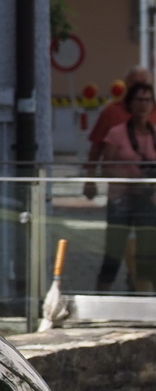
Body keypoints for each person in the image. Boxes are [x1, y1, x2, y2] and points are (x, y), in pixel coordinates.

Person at [93, 81, 156, 292]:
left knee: (147, 254)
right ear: (130, 103)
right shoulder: (117, 133)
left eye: (148, 100)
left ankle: (143, 300)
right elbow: (106, 167)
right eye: (139, 99)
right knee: (113, 253)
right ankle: (100, 299)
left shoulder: (154, 133)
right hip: (121, 199)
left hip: (148, 201)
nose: (143, 104)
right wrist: (132, 175)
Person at [84, 65, 152, 200]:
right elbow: (96, 148)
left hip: (150, 193)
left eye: (143, 83)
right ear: (127, 84)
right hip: (120, 192)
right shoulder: (111, 111)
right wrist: (89, 181)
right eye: (135, 83)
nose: (139, 88)